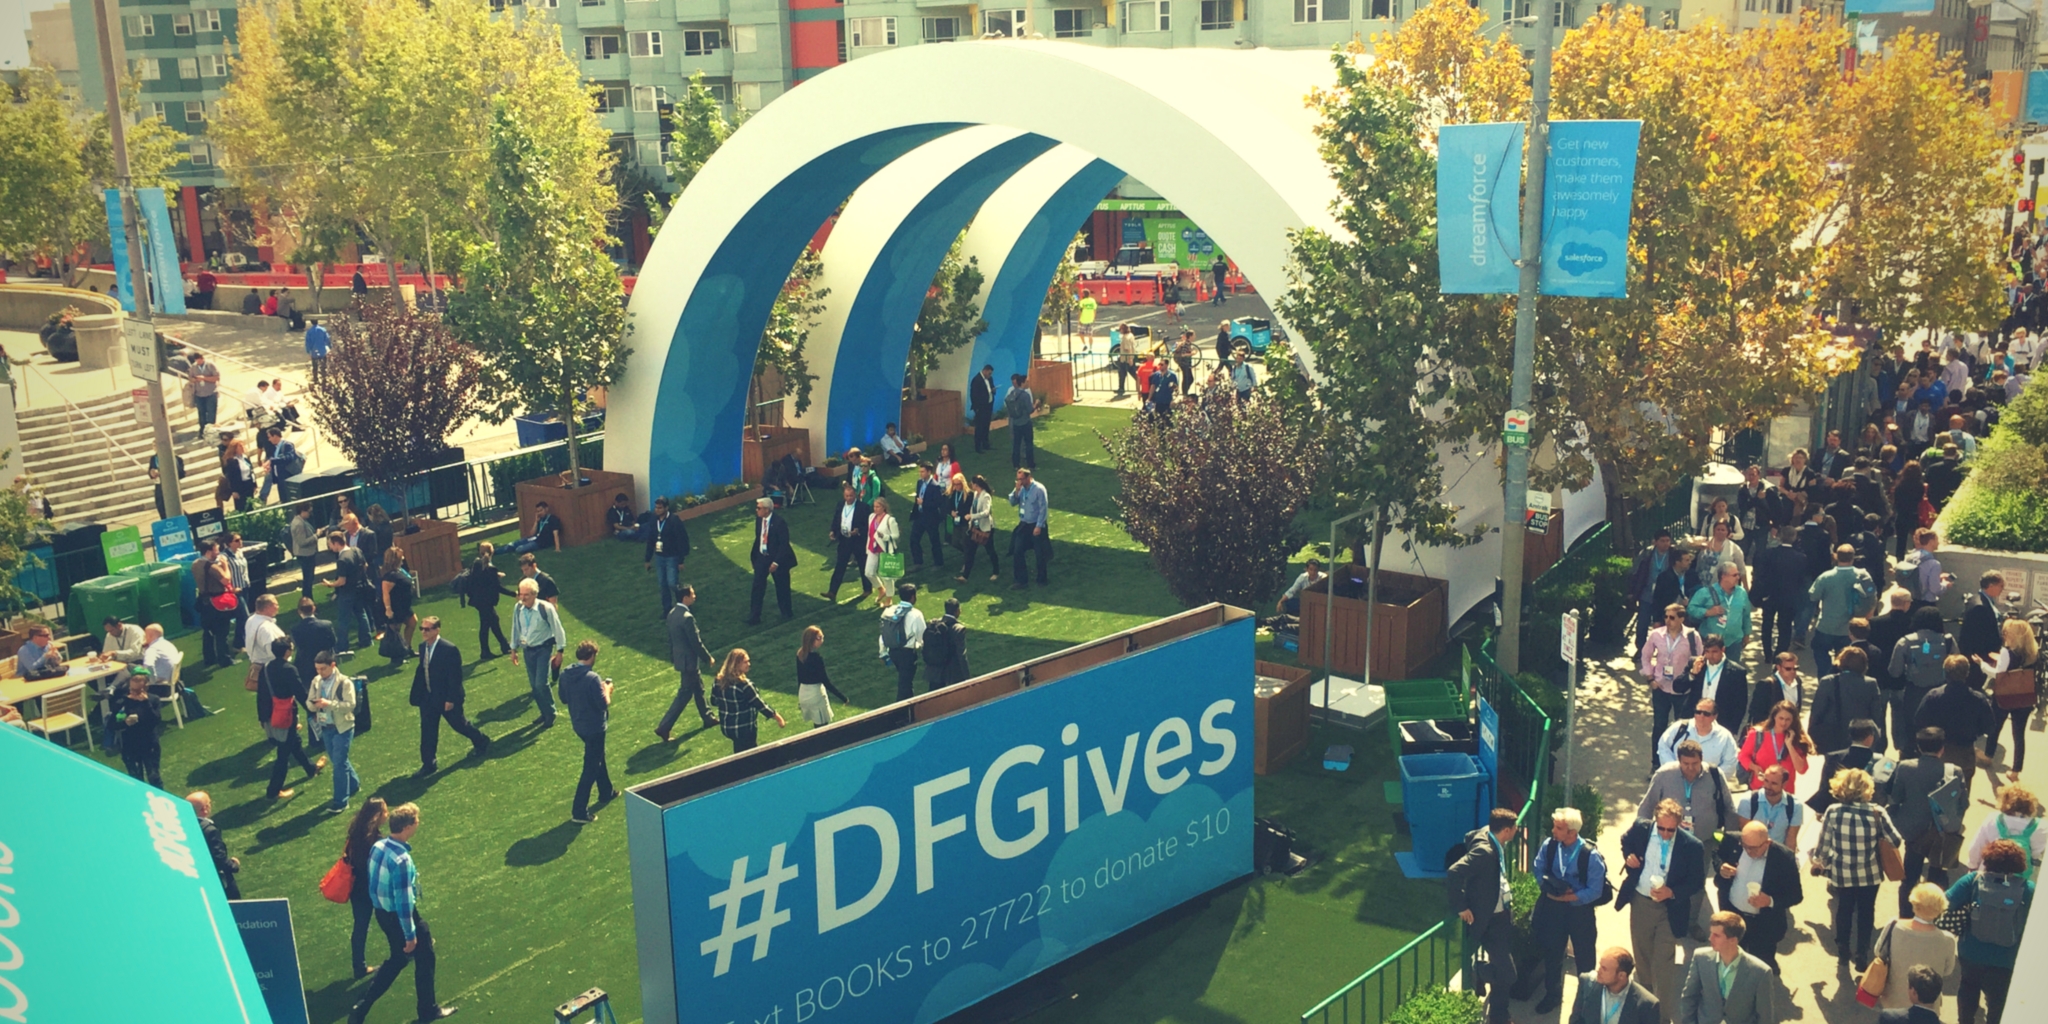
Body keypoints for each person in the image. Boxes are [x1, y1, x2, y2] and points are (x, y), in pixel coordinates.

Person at [350, 802, 456, 1024]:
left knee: (399, 959)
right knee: (418, 954)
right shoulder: (402, 861)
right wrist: (410, 935)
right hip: (399, 916)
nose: (418, 825)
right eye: (416, 821)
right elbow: (404, 903)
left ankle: (362, 1007)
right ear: (407, 827)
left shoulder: (378, 847)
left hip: (382, 912)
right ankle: (427, 1011)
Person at [1620, 799, 1707, 1021]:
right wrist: (1628, 856)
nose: (1665, 833)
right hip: (1641, 903)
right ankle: (1645, 1009)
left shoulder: (1692, 846)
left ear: (1678, 825)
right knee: (1642, 960)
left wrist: (1673, 892)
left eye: (1671, 829)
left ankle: (1663, 1017)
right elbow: (1625, 841)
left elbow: (1697, 882)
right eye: (1661, 828)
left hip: (1671, 909)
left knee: (1663, 966)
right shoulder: (1641, 829)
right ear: (1655, 822)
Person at [1814, 767, 1905, 968]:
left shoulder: (1833, 811)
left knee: (1844, 909)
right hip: (1870, 873)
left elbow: (1824, 844)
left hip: (1842, 872)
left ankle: (1843, 948)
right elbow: (1896, 840)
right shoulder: (1877, 812)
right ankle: (1862, 952)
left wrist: (1819, 861)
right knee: (1866, 911)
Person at [1524, 808, 1608, 1012]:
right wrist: (1548, 888)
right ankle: (1552, 995)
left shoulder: (1591, 855)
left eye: (1558, 827)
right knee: (1552, 953)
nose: (1553, 830)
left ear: (1572, 832)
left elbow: (1595, 890)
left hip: (1579, 912)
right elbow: (1538, 868)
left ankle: (1588, 1001)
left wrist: (1571, 897)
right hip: (1553, 908)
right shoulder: (1550, 845)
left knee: (1585, 957)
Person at [1946, 838, 2033, 1024]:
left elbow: (1946, 902)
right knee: (1998, 1001)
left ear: (1988, 859)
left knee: (1968, 988)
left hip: (1971, 953)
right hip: (2006, 959)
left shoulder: (1973, 880)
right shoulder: (2028, 889)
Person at [1446, 808, 1521, 1024]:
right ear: (1506, 830)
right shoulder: (1485, 852)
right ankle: (1477, 971)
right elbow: (1454, 872)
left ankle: (1499, 1016)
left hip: (1500, 914)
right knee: (1508, 974)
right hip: (1488, 920)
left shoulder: (1490, 834)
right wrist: (1460, 906)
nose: (1516, 831)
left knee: (1504, 969)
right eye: (1515, 828)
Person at [1712, 822, 1801, 973]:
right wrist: (1721, 868)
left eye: (1753, 848)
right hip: (1733, 916)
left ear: (1767, 843)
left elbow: (1795, 895)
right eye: (1745, 846)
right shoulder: (1733, 840)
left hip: (1763, 924)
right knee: (1730, 957)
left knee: (1759, 964)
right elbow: (1717, 855)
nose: (1748, 851)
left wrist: (1770, 901)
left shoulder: (1783, 858)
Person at [1915, 654, 2004, 800]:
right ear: (1967, 674)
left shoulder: (1933, 696)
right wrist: (1975, 731)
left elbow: (1919, 720)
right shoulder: (1978, 699)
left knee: (1936, 794)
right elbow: (1989, 727)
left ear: (1945, 673)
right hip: (1965, 752)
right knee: (1962, 794)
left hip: (1938, 752)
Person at [411, 617, 488, 777]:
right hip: (428, 698)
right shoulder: (422, 647)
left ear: (437, 630)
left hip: (445, 697)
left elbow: (455, 677)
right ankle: (428, 764)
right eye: (422, 629)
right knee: (427, 731)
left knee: (459, 724)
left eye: (428, 629)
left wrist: (451, 699)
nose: (424, 632)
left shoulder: (449, 649)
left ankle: (481, 740)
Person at [1678, 913, 1777, 1024]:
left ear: (1733, 940)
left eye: (1717, 935)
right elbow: (1689, 997)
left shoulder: (1760, 972)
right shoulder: (1701, 959)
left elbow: (1765, 1016)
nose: (1710, 938)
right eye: (1711, 933)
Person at [1872, 884, 1957, 1011]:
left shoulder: (1894, 926)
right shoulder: (1947, 939)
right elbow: (1947, 970)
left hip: (1893, 1001)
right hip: (1927, 1006)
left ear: (1914, 903)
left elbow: (1878, 952)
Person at [260, 636, 325, 800]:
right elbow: (300, 693)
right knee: (283, 754)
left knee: (294, 743)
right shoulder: (289, 669)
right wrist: (312, 711)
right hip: (286, 715)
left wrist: (262, 717)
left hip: (272, 713)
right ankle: (273, 791)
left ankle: (311, 768)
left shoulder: (266, 667)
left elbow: (261, 694)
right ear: (287, 651)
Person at [559, 641, 617, 824]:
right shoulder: (592, 678)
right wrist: (607, 689)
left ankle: (606, 791)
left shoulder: (566, 674)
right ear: (591, 656)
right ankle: (579, 811)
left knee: (598, 756)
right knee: (590, 766)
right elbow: (603, 703)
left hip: (579, 725)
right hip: (595, 727)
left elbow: (563, 698)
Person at [1642, 739, 1739, 845]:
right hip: (1670, 841)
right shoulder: (1664, 775)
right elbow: (1647, 807)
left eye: (1695, 763)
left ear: (1701, 759)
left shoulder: (1714, 775)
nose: (1690, 768)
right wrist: (1642, 837)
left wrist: (1730, 840)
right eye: (1686, 763)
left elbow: (1729, 808)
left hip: (1705, 841)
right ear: (1678, 760)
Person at [1644, 603, 1706, 757]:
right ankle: (1656, 762)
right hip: (1661, 687)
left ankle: (1680, 760)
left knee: (1682, 727)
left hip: (1683, 689)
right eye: (1665, 616)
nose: (1667, 620)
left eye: (1672, 617)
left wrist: (1693, 676)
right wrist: (1650, 678)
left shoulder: (1692, 636)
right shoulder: (1656, 635)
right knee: (1659, 726)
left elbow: (1700, 658)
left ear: (1681, 619)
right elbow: (1645, 656)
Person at [656, 585, 718, 739]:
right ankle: (664, 727)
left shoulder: (671, 614)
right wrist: (707, 657)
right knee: (684, 694)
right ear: (685, 597)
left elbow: (671, 640)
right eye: (692, 594)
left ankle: (708, 718)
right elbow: (695, 642)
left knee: (698, 689)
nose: (695, 596)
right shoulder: (687, 618)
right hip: (689, 661)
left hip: (680, 659)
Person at [1978, 618, 2038, 772]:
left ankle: (1988, 756)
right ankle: (2016, 770)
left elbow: (1999, 674)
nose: (2003, 635)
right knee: (2019, 735)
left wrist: (1982, 665)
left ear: (2014, 635)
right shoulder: (2032, 652)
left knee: (1995, 727)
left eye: (2006, 632)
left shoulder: (2006, 652)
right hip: (2024, 697)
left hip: (2004, 696)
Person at [305, 648, 360, 814]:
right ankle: (354, 783)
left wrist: (329, 704)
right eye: (317, 669)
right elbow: (308, 702)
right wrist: (314, 705)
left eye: (323, 669)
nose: (320, 672)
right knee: (339, 761)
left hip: (343, 727)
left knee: (338, 764)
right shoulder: (316, 681)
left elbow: (350, 705)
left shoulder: (345, 682)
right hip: (326, 727)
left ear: (333, 665)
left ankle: (341, 801)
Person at [509, 578, 566, 728]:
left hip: (543, 649)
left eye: (526, 594)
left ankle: (551, 713)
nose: (522, 598)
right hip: (528, 650)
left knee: (541, 683)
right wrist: (513, 649)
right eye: (521, 594)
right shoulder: (518, 608)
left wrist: (560, 651)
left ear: (535, 594)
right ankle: (544, 712)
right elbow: (515, 628)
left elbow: (558, 629)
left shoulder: (545, 608)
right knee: (534, 686)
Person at [1673, 637, 1749, 747]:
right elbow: (1678, 688)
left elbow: (1740, 704)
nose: (1710, 656)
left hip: (1720, 721)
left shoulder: (1737, 672)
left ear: (1723, 650)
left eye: (1714, 652)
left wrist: (1733, 729)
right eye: (1707, 652)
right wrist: (1692, 674)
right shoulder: (1696, 664)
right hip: (1695, 718)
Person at [1808, 545, 1875, 668]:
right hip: (1849, 629)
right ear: (1853, 558)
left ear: (1836, 557)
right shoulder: (1863, 575)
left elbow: (1813, 596)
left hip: (1826, 626)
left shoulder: (1826, 577)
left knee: (1820, 651)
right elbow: (1872, 598)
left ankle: (1825, 677)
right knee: (1845, 660)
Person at [344, 799, 389, 979]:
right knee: (393, 917)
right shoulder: (377, 841)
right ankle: (408, 947)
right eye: (385, 812)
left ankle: (359, 966)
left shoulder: (355, 833)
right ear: (378, 816)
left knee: (360, 927)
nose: (387, 814)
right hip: (374, 889)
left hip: (357, 889)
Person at [1810, 646, 1884, 755]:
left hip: (1832, 739)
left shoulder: (1828, 682)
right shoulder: (1871, 684)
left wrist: (1813, 735)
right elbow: (1877, 715)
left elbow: (1817, 711)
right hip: (1860, 738)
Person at [711, 649, 785, 753]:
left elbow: (714, 701)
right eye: (745, 662)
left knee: (739, 750)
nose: (749, 664)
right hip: (744, 729)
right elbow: (759, 704)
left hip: (727, 728)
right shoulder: (745, 685)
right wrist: (777, 717)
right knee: (751, 755)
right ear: (736, 664)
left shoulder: (718, 681)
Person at [1961, 784, 2047, 874]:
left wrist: (1972, 866)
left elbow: (1976, 846)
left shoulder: (1993, 819)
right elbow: (2037, 854)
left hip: (1989, 872)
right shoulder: (2042, 827)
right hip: (2022, 878)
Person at [1809, 718, 1881, 819]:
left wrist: (1820, 809)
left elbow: (1825, 785)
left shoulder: (1833, 757)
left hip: (1838, 812)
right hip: (1867, 813)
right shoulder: (1879, 760)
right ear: (1870, 738)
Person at [1569, 948, 1660, 1024]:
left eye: (1604, 969)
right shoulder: (1587, 983)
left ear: (1621, 975)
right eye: (1600, 965)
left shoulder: (1647, 1005)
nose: (1598, 971)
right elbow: (1575, 1020)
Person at [455, 543, 511, 659]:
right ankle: (502, 647)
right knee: (491, 622)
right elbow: (498, 587)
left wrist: (496, 575)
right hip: (486, 601)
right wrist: (514, 594)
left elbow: (481, 578)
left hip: (477, 600)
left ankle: (498, 647)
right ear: (492, 552)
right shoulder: (490, 568)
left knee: (489, 623)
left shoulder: (476, 563)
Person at [1657, 700, 1742, 777]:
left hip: (1708, 787)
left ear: (1715, 716)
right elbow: (1663, 746)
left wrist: (1711, 778)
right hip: (1676, 780)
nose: (1701, 716)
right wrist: (1673, 769)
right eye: (1698, 712)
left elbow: (1730, 763)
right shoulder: (1680, 727)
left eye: (1706, 714)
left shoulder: (1724, 736)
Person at [1688, 563, 1753, 662]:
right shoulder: (1706, 592)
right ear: (1724, 576)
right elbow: (1691, 608)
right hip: (1711, 643)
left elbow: (1746, 615)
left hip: (1734, 642)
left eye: (1738, 574)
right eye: (1735, 575)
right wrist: (1707, 612)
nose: (1738, 577)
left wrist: (1747, 634)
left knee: (1732, 673)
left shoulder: (1741, 593)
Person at [747, 497, 797, 624]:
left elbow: (783, 544)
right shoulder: (759, 520)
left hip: (777, 559)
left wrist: (776, 562)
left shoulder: (779, 523)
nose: (756, 510)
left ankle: (786, 613)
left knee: (782, 587)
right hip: (762, 557)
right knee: (757, 587)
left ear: (767, 509)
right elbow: (758, 538)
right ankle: (754, 616)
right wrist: (755, 557)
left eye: (759, 508)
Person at [1737, 701, 1812, 785]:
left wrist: (1790, 746)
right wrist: (1754, 767)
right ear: (1774, 717)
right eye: (1781, 718)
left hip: (1785, 792)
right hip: (1759, 788)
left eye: (1788, 719)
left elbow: (1801, 770)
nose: (1784, 723)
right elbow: (1743, 756)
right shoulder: (1757, 734)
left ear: (1793, 721)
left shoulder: (1796, 739)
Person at [822, 483, 874, 604]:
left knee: (862, 565)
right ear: (843, 495)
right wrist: (833, 531)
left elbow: (867, 525)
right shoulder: (840, 505)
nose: (849, 498)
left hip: (858, 541)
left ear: (855, 495)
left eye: (851, 496)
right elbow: (836, 519)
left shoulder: (863, 507)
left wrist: (858, 530)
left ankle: (867, 589)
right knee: (840, 565)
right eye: (847, 496)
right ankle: (832, 591)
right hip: (844, 540)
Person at [110, 671, 163, 788]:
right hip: (130, 744)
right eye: (131, 690)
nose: (133, 693)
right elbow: (112, 725)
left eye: (137, 691)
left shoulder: (153, 700)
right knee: (136, 779)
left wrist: (146, 703)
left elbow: (156, 720)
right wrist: (125, 722)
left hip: (149, 743)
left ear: (145, 689)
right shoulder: (122, 702)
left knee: (154, 776)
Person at [326, 530, 375, 654]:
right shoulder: (356, 550)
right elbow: (365, 565)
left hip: (347, 592)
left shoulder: (342, 559)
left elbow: (341, 581)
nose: (330, 547)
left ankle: (342, 646)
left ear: (336, 543)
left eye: (330, 544)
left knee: (343, 619)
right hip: (359, 588)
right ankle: (366, 640)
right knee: (361, 614)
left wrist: (330, 584)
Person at [188, 791, 241, 899]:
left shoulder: (184, 825)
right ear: (205, 809)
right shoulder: (210, 830)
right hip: (217, 879)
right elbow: (219, 858)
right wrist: (234, 865)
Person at [644, 498, 690, 618]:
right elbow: (650, 540)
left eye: (660, 508)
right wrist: (647, 559)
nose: (657, 510)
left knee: (672, 583)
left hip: (672, 556)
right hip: (659, 556)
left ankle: (684, 602)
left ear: (666, 508)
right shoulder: (654, 520)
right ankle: (667, 609)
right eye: (656, 507)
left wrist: (681, 560)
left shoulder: (674, 521)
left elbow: (682, 540)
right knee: (662, 584)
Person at [881, 582, 927, 702]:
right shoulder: (916, 614)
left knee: (906, 681)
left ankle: (910, 709)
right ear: (913, 597)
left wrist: (883, 652)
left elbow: (884, 633)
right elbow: (922, 637)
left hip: (892, 651)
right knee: (905, 684)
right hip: (907, 654)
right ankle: (900, 712)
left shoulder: (889, 611)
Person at [796, 626, 849, 727]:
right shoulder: (816, 658)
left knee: (817, 724)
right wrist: (843, 698)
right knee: (822, 725)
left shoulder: (800, 654)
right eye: (820, 637)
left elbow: (799, 676)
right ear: (813, 640)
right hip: (816, 694)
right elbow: (826, 681)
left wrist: (799, 698)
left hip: (803, 694)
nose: (822, 640)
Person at [1008, 468, 1051, 590]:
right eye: (1018, 479)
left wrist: (1039, 526)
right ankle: (1021, 580)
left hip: (1036, 525)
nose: (1019, 481)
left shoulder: (1039, 489)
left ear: (1028, 477)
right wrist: (1016, 491)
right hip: (1024, 524)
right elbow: (1012, 502)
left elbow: (1043, 509)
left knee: (1040, 554)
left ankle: (1042, 579)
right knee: (1017, 551)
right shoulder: (1020, 488)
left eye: (1021, 479)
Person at [958, 474, 999, 583]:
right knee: (970, 551)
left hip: (985, 528)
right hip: (975, 527)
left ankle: (996, 571)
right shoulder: (976, 494)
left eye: (972, 483)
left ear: (976, 485)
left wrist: (972, 516)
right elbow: (973, 508)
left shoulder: (986, 496)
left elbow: (986, 512)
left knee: (990, 550)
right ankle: (965, 576)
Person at [908, 462, 949, 572]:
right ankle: (918, 562)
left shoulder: (935, 486)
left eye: (922, 471)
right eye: (920, 471)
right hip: (920, 517)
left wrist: (923, 503)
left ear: (929, 472)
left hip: (931, 518)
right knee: (913, 539)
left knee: (934, 541)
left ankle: (939, 563)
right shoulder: (919, 482)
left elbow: (937, 503)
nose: (920, 474)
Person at [380, 547, 418, 665]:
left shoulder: (400, 570)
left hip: (405, 605)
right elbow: (385, 593)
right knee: (395, 632)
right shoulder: (389, 576)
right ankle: (396, 657)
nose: (403, 558)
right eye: (400, 556)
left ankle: (407, 648)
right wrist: (388, 609)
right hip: (396, 607)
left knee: (412, 622)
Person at [1961, 570, 2006, 664]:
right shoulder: (1980, 607)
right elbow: (1978, 637)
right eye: (2001, 586)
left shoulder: (1978, 599)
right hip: (1980, 657)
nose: (2003, 589)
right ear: (1991, 586)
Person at [923, 597, 970, 688]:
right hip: (951, 672)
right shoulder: (959, 629)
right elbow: (962, 655)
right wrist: (967, 678)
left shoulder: (935, 624)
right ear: (957, 611)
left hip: (935, 670)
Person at [864, 496, 901, 609]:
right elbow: (869, 533)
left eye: (878, 507)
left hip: (885, 549)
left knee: (887, 577)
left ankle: (889, 598)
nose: (875, 509)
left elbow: (896, 535)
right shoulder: (871, 517)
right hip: (872, 548)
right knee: (869, 572)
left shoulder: (890, 520)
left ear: (884, 507)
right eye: (874, 506)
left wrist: (884, 536)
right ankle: (881, 589)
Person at [1005, 373, 1037, 469]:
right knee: (1028, 444)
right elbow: (1030, 410)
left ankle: (1016, 464)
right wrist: (1036, 404)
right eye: (1026, 381)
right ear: (1022, 382)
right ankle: (1030, 464)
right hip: (1025, 422)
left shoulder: (1012, 393)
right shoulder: (1025, 395)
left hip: (1015, 422)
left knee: (1016, 444)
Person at [148, 451, 187, 520]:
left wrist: (161, 472)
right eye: (153, 445)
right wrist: (151, 473)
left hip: (171, 485)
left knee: (173, 506)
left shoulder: (174, 457)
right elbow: (150, 470)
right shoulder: (154, 458)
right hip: (159, 485)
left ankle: (186, 520)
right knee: (161, 506)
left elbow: (180, 473)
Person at [189, 352, 220, 432]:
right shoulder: (194, 367)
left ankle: (211, 429)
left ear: (202, 358)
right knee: (201, 413)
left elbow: (216, 377)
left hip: (211, 392)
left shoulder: (210, 365)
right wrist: (194, 379)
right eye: (196, 360)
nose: (198, 362)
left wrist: (204, 378)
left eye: (199, 360)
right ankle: (202, 430)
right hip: (199, 394)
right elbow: (190, 378)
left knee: (211, 412)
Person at [970, 364, 996, 453]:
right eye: (989, 373)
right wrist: (976, 408)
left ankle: (986, 443)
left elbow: (991, 387)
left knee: (986, 426)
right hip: (981, 408)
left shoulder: (990, 379)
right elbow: (973, 395)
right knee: (979, 427)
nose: (990, 375)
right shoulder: (976, 380)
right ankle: (978, 446)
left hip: (988, 405)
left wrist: (993, 391)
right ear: (985, 370)